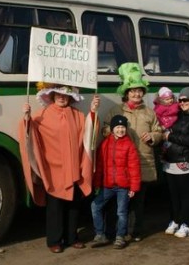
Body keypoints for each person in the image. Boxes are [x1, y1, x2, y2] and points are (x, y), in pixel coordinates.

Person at [18, 82, 100, 253]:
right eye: (58, 94)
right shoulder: (43, 115)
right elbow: (30, 135)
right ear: (52, 96)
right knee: (55, 207)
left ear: (70, 97)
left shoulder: (77, 114)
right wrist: (26, 118)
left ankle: (72, 237)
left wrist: (93, 112)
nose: (62, 97)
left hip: (73, 167)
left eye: (65, 94)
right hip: (53, 169)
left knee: (73, 206)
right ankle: (54, 240)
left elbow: (88, 134)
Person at [102, 62, 163, 242]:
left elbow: (159, 132)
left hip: (143, 162)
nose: (136, 94)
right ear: (126, 93)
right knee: (118, 202)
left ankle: (135, 231)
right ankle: (114, 232)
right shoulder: (115, 111)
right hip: (120, 164)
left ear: (143, 92)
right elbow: (105, 129)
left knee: (138, 201)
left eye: (139, 91)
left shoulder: (150, 113)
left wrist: (153, 136)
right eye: (132, 91)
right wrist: (113, 132)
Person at [91, 115, 141, 249]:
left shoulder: (129, 145)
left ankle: (120, 237)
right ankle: (100, 234)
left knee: (121, 212)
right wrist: (97, 184)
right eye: (117, 127)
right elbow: (100, 166)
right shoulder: (105, 144)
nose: (120, 130)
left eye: (123, 127)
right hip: (107, 185)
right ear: (112, 129)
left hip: (123, 187)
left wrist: (133, 188)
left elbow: (134, 167)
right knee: (95, 206)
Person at [162, 87, 189, 238]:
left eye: (186, 100)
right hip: (171, 160)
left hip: (185, 161)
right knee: (173, 195)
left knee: (185, 195)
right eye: (180, 100)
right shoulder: (180, 115)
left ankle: (186, 224)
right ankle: (175, 220)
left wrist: (170, 137)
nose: (182, 103)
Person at [153, 86, 179, 151]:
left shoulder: (175, 105)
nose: (170, 100)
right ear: (161, 100)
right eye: (167, 99)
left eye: (171, 98)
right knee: (165, 138)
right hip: (164, 126)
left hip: (173, 124)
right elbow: (157, 116)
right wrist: (161, 126)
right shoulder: (159, 108)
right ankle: (164, 150)